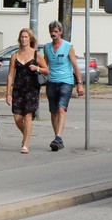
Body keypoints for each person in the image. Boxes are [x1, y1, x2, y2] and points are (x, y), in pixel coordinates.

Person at [42, 20, 85, 152]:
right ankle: (57, 138)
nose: (53, 34)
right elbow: (45, 64)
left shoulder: (68, 46)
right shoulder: (47, 47)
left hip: (66, 82)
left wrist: (79, 84)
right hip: (51, 82)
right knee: (53, 111)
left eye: (56, 31)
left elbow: (75, 65)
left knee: (61, 109)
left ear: (61, 32)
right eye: (51, 31)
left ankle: (58, 137)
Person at [5, 27, 48, 154]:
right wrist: (8, 92)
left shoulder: (36, 54)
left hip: (32, 89)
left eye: (26, 37)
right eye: (22, 37)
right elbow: (10, 75)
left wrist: (37, 68)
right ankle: (26, 135)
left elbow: (46, 69)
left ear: (30, 39)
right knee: (17, 118)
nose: (24, 39)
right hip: (18, 89)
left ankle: (25, 145)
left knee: (28, 116)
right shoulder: (14, 55)